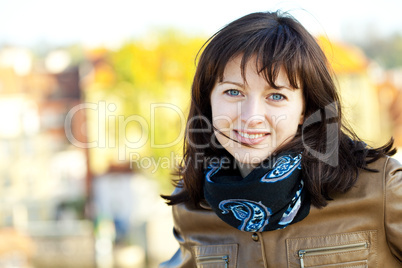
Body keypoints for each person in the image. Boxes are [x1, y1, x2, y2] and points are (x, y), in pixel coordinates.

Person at [160, 11, 402, 267]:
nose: (251, 117)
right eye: (233, 92)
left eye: (276, 96)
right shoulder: (191, 206)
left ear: (305, 110)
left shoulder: (381, 188)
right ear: (208, 102)